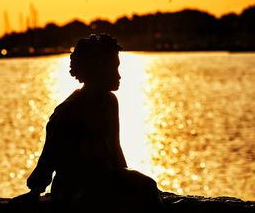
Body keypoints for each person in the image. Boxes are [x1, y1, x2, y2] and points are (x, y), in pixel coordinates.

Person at [11, 34, 165, 212]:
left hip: (104, 179)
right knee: (134, 191)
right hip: (73, 187)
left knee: (146, 186)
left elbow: (115, 148)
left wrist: (127, 176)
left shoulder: (110, 102)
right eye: (113, 68)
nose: (119, 75)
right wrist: (36, 189)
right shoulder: (69, 110)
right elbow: (50, 155)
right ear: (96, 69)